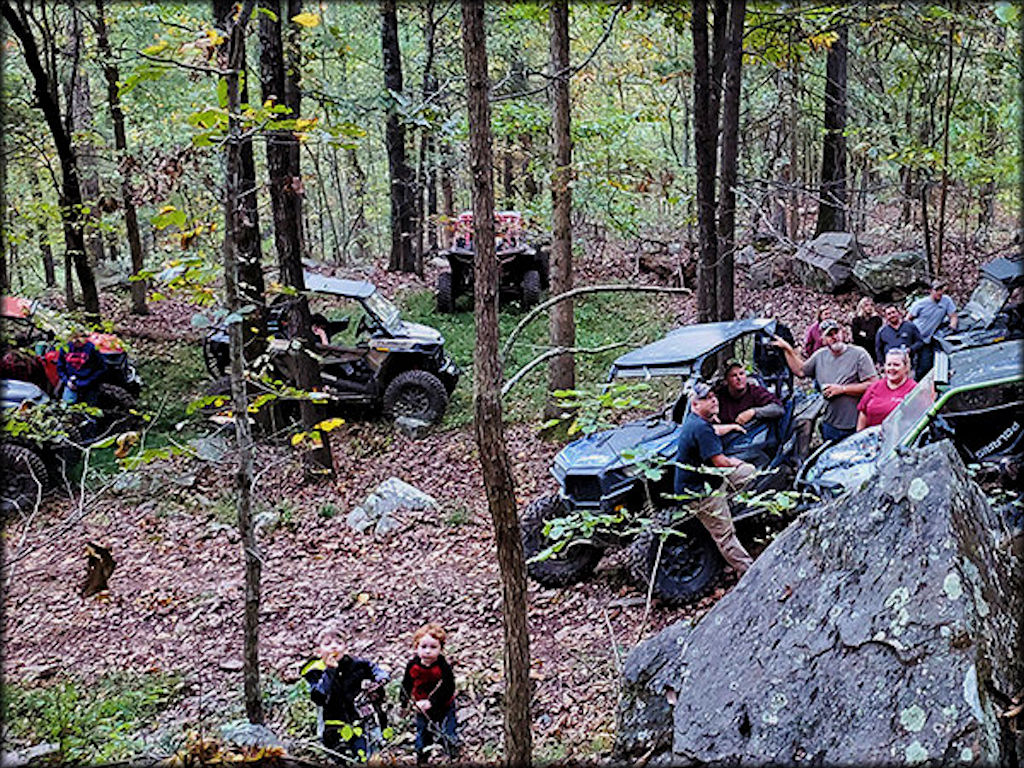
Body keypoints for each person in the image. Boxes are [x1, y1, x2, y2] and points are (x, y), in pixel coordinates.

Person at [673, 382, 757, 576]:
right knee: (725, 535)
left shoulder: (695, 422)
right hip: (700, 492)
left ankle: (728, 504)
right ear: (695, 404)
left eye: (713, 396)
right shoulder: (700, 428)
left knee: (749, 472)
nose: (713, 400)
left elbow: (713, 431)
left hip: (705, 482)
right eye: (706, 398)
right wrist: (735, 462)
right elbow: (720, 462)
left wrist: (732, 427)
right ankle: (748, 572)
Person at [773, 319, 877, 443]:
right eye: (829, 335)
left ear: (843, 333)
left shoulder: (859, 354)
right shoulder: (820, 356)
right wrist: (787, 349)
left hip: (855, 425)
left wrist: (842, 389)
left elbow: (873, 386)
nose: (834, 337)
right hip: (830, 424)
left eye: (836, 332)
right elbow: (800, 371)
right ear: (823, 340)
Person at [302, 623, 389, 761]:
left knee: (363, 754)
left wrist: (380, 679)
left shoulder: (355, 664)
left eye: (339, 643)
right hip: (331, 724)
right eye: (327, 644)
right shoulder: (314, 671)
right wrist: (330, 671)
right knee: (339, 757)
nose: (334, 647)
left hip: (357, 720)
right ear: (319, 651)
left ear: (345, 648)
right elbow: (318, 696)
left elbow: (374, 669)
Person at [401, 623, 458, 764]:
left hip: (444, 706)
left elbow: (448, 686)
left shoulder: (442, 666)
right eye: (423, 647)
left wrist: (432, 702)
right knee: (423, 735)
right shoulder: (412, 665)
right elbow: (406, 684)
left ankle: (453, 756)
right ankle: (422, 759)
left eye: (433, 647)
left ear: (441, 649)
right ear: (416, 647)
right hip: (421, 707)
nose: (428, 651)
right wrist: (404, 702)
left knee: (448, 732)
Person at [907, 279, 958, 380]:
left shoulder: (946, 301)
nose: (939, 292)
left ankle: (921, 384)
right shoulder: (920, 304)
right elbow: (908, 319)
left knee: (924, 366)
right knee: (909, 363)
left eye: (941, 289)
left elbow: (953, 316)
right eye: (937, 290)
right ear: (931, 291)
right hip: (914, 337)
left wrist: (952, 326)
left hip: (927, 340)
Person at [856, 348, 916, 430]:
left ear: (906, 367)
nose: (891, 368)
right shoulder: (875, 386)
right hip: (872, 439)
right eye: (889, 364)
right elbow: (863, 413)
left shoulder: (914, 389)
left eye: (896, 365)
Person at [56, 330, 106, 405]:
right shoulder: (65, 348)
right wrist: (67, 381)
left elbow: (101, 368)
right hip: (71, 384)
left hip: (89, 384)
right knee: (67, 407)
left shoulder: (91, 348)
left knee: (90, 409)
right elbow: (60, 368)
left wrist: (87, 381)